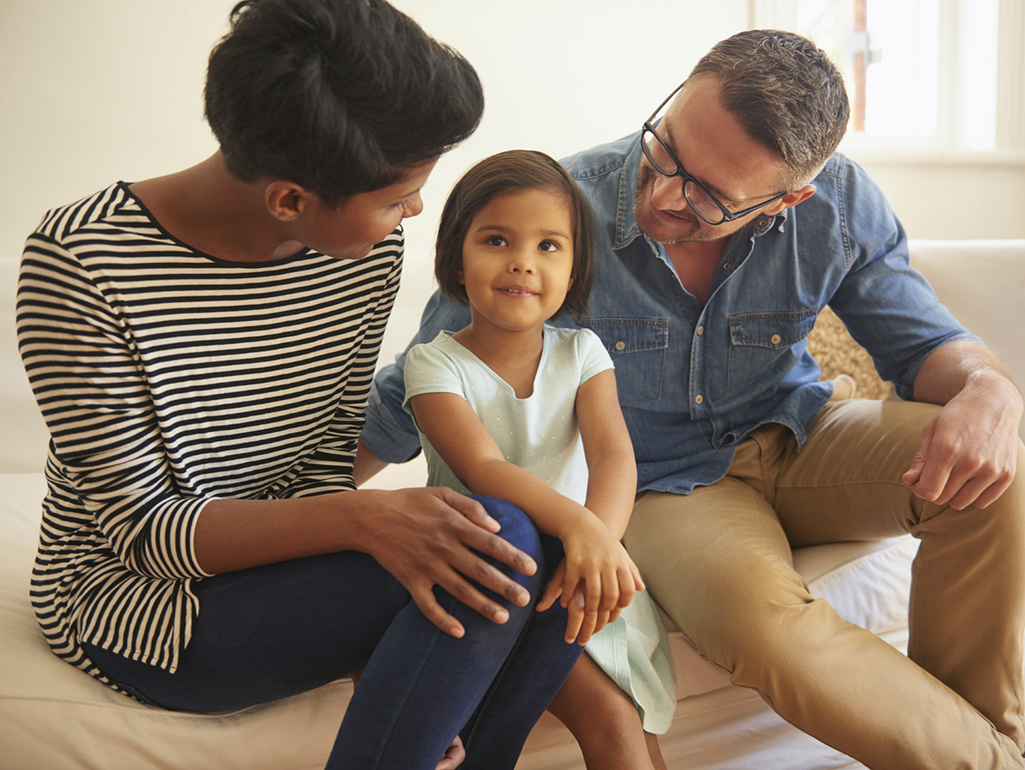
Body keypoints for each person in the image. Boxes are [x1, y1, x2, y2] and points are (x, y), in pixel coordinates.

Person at [359, 29, 1025, 770]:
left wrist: (988, 388)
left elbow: (923, 343)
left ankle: (986, 737)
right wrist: (299, 515)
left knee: (995, 474)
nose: (664, 193)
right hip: (669, 489)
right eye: (667, 147)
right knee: (763, 624)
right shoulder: (560, 211)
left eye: (708, 195)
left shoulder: (835, 204)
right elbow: (415, 388)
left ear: (789, 198)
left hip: (803, 432)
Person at [16, 2, 585, 769]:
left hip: (286, 559)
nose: (415, 210)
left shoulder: (361, 255)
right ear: (289, 199)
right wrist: (362, 523)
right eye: (393, 199)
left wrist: (369, 622)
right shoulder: (80, 263)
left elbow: (319, 456)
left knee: (545, 545)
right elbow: (144, 532)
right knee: (505, 543)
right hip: (139, 605)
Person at [401, 149, 676, 770]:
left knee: (628, 727)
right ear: (454, 254)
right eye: (497, 239)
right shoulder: (435, 365)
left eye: (550, 246)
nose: (523, 262)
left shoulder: (583, 353)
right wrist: (577, 527)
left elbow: (612, 457)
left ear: (577, 265)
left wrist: (599, 542)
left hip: (582, 567)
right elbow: (486, 470)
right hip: (496, 572)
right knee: (609, 719)